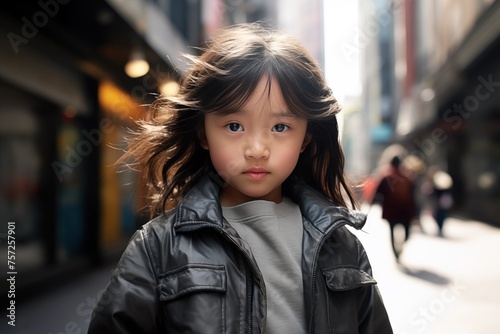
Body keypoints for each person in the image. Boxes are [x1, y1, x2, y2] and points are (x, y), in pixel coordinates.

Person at [88, 23, 393, 333]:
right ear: (203, 133)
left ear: (305, 138)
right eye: (234, 126)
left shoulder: (341, 247)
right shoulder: (157, 248)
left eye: (280, 127)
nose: (257, 150)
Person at [373, 155, 417, 261]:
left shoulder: (386, 177)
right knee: (407, 231)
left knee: (392, 231)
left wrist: (373, 203)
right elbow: (413, 195)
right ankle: (402, 244)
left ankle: (396, 254)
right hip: (405, 211)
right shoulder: (407, 178)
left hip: (391, 211)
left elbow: (378, 193)